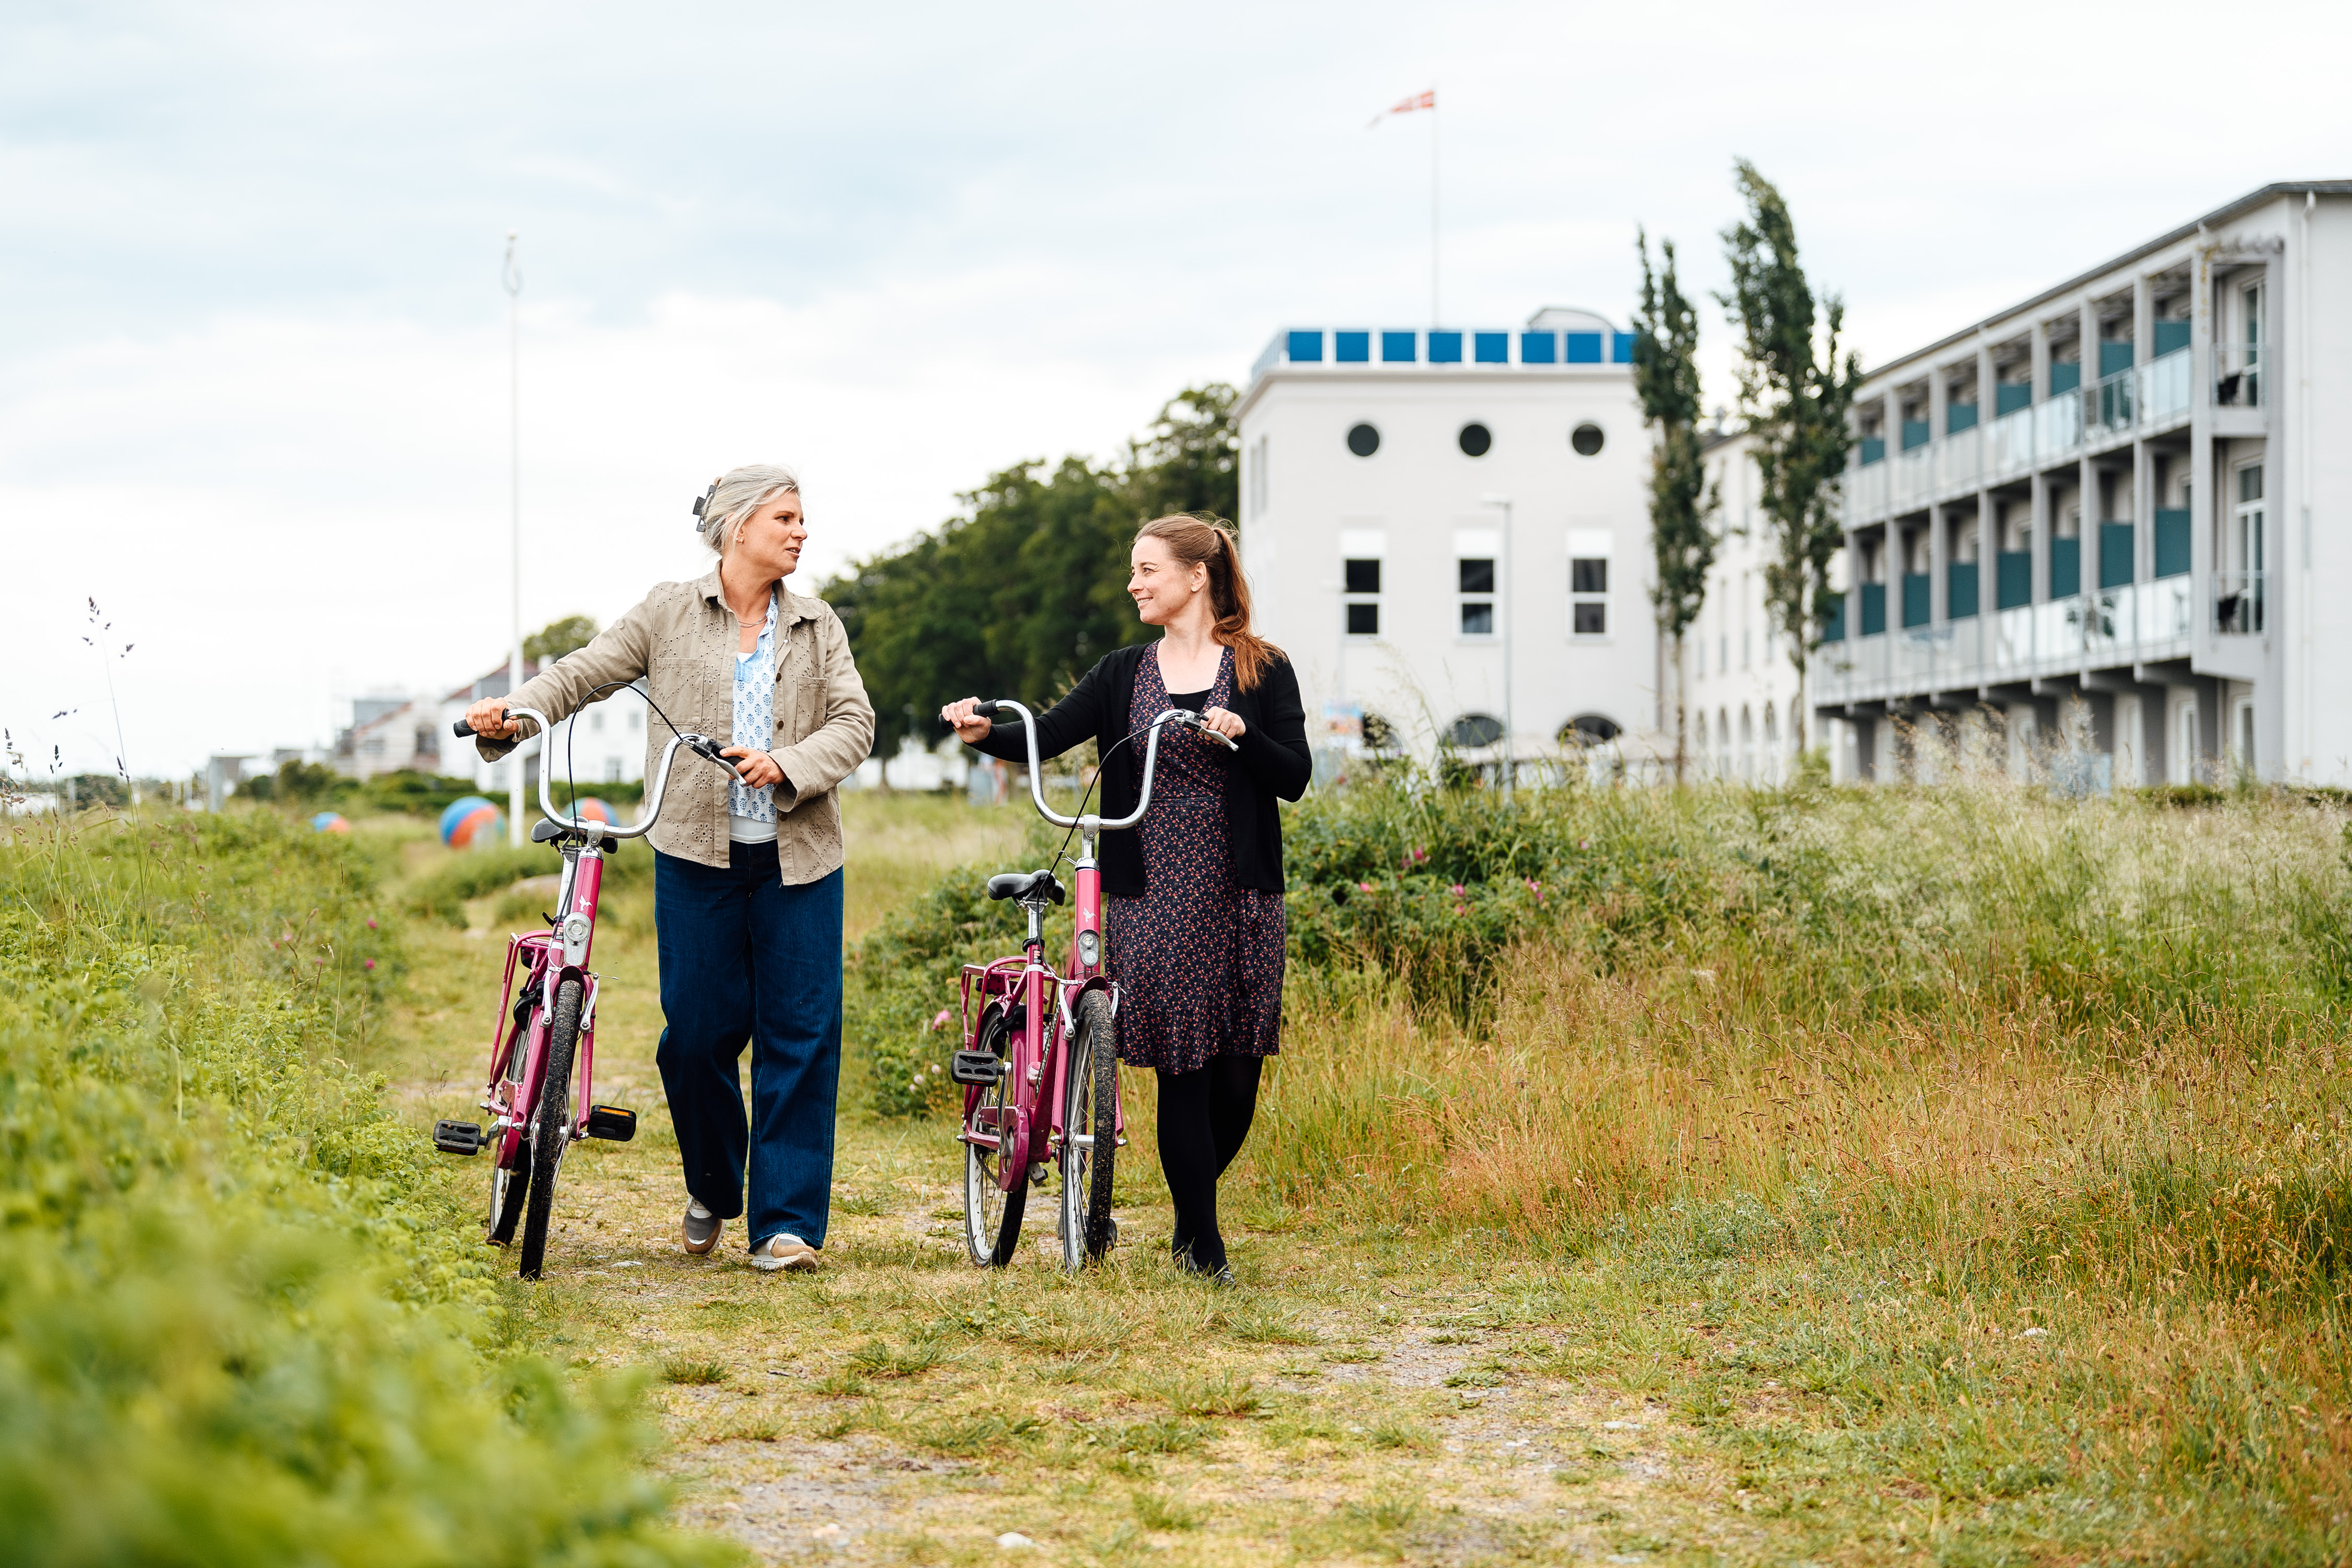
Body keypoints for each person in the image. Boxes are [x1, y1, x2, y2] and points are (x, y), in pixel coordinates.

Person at [465, 465, 874, 1273]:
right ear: (737, 526)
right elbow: (584, 671)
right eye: (785, 518)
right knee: (694, 1038)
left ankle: (784, 1225)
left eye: (803, 520)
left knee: (802, 1036)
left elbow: (855, 723)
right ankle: (716, 1185)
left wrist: (786, 763)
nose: (800, 532)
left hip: (800, 861)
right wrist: (517, 715)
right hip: (694, 853)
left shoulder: (818, 624)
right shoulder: (669, 611)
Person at [940, 514, 1309, 1284]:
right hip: (1153, 892)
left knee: (1239, 1071)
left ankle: (1188, 1213)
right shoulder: (1122, 673)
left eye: (1148, 569)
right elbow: (1049, 732)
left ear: (1196, 575)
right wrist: (983, 733)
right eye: (1133, 571)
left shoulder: (1261, 668)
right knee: (1184, 1066)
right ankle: (1201, 1245)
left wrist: (1242, 733)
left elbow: (1295, 776)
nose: (1134, 583)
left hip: (1241, 890)